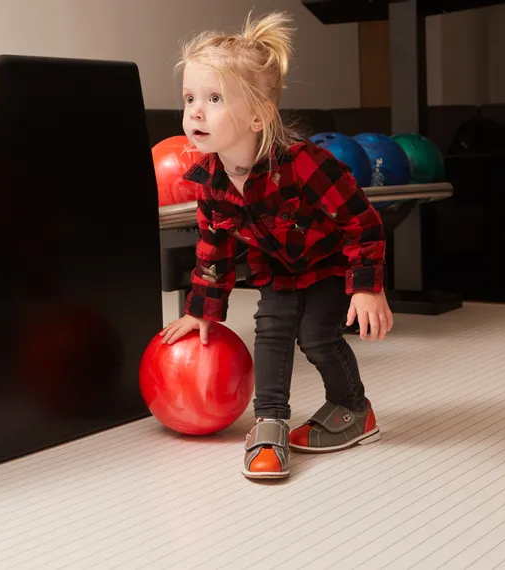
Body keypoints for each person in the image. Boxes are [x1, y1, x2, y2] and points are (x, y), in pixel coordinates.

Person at [160, 10, 393, 480]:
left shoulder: (306, 165)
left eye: (214, 98)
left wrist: (367, 287)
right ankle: (270, 422)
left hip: (328, 265)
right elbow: (214, 250)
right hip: (278, 271)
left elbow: (362, 222)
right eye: (189, 99)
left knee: (317, 335)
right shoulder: (209, 181)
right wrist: (201, 309)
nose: (195, 112)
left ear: (258, 115)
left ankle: (353, 409)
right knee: (270, 332)